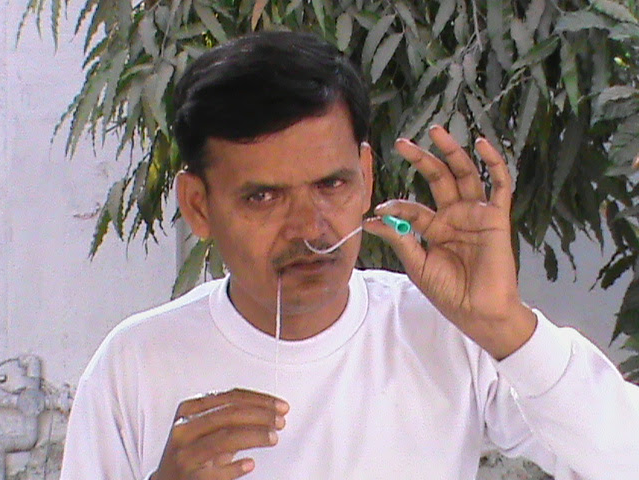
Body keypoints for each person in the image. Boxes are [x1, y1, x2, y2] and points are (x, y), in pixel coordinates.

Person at [60, 31, 639, 480]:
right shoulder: (135, 365)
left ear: (365, 177)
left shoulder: (441, 329)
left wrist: (505, 326)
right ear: (198, 205)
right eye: (263, 197)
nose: (309, 228)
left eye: (331, 185)